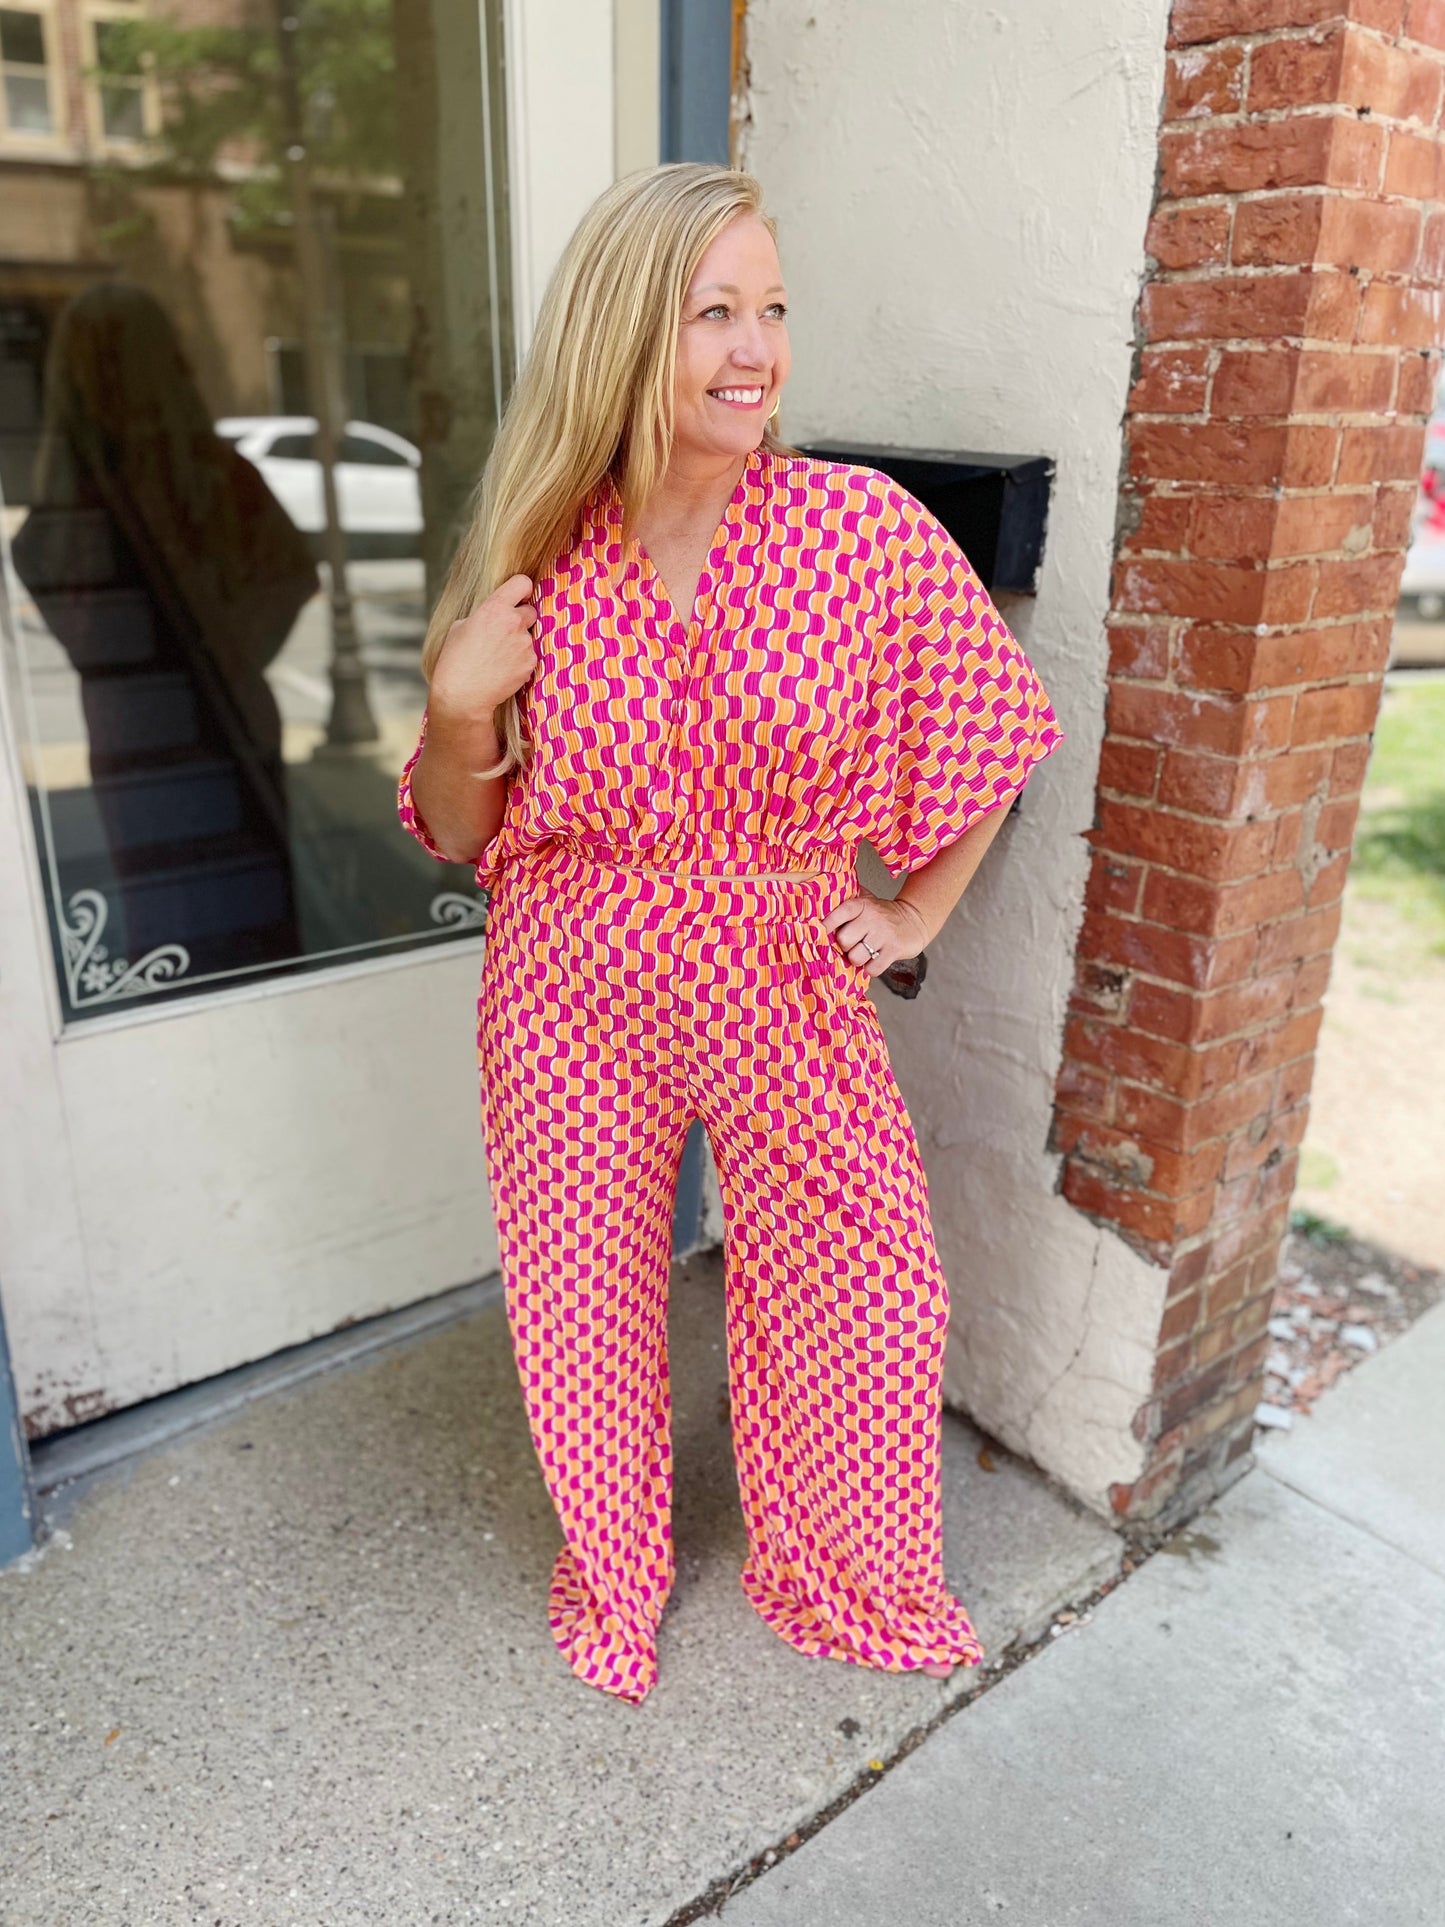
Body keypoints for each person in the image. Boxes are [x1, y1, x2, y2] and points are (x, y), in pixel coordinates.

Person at [397, 163, 1063, 1705]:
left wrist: (907, 913)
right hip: (570, 973)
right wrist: (454, 703)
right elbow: (469, 827)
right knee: (582, 1290)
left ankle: (845, 1568)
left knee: (863, 1281)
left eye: (771, 310)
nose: (755, 348)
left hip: (780, 963)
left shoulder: (860, 534)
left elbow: (993, 729)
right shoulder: (539, 551)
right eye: (714, 312)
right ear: (629, 334)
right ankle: (615, 1569)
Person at [13, 279, 319, 989]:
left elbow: (291, 574)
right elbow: (292, 573)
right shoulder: (205, 479)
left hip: (140, 732)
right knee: (252, 935)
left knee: (175, 945)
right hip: (211, 723)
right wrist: (236, 649)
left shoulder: (68, 506)